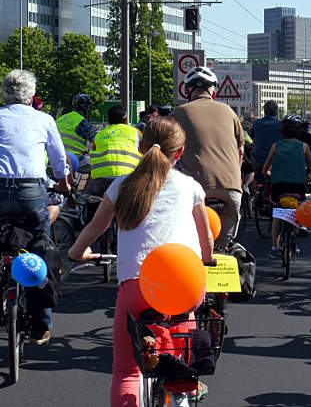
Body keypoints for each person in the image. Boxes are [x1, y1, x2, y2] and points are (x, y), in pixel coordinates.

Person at [68, 117, 215, 407]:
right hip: (186, 285)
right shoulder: (190, 186)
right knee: (182, 340)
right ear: (180, 152)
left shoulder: (122, 186)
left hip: (138, 286)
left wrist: (76, 252)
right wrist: (207, 260)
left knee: (127, 371)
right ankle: (181, 380)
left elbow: (96, 228)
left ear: (140, 147)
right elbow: (206, 236)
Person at [0, 69, 69, 344]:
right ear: (31, 96)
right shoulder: (44, 119)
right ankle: (42, 324)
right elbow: (58, 157)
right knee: (41, 245)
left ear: (4, 93)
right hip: (30, 191)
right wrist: (63, 182)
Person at [168, 66, 245, 246]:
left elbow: (167, 154)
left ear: (188, 90)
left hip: (193, 188)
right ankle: (224, 251)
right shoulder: (229, 111)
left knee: (188, 242)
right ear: (213, 90)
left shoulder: (178, 113)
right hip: (230, 188)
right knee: (225, 245)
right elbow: (240, 151)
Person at [263, 115, 311, 257]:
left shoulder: (275, 146)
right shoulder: (304, 146)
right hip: (297, 185)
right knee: (301, 202)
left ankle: (275, 247)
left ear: (283, 133)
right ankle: (302, 224)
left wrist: (266, 173)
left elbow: (266, 167)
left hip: (279, 185)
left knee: (277, 213)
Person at [85, 106, 142, 198]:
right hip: (127, 175)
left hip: (100, 176)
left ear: (109, 119)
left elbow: (93, 151)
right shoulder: (135, 132)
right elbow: (144, 150)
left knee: (92, 200)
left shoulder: (99, 134)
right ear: (126, 119)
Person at [55, 93, 97, 159]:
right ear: (86, 108)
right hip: (74, 158)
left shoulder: (60, 119)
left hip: (55, 157)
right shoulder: (82, 121)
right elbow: (96, 140)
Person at [252, 100, 283, 182]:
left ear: (264, 111)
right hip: (275, 161)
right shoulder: (281, 125)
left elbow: (252, 137)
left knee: (258, 179)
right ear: (276, 112)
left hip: (259, 159)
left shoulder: (256, 123)